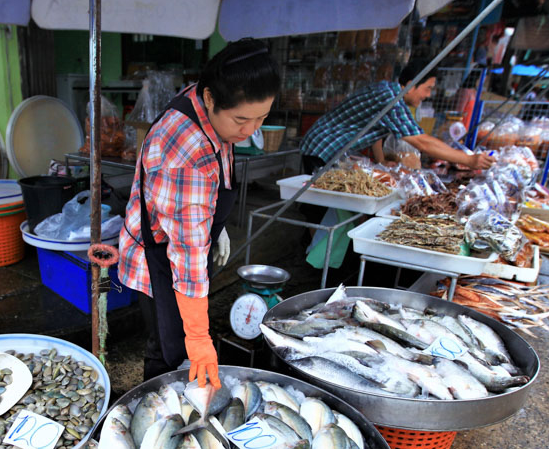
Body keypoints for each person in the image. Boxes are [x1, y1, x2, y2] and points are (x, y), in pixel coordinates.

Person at [119, 38, 279, 386]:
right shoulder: (183, 154)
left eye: (262, 118)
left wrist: (213, 227)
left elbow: (210, 183)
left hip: (185, 239)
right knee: (168, 351)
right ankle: (156, 407)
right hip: (160, 256)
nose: (251, 131)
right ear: (209, 98)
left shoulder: (211, 102)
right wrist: (198, 338)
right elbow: (187, 256)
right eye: (241, 119)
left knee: (179, 343)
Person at [301, 59, 495, 173]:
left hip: (325, 145)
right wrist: (468, 160)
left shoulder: (389, 92)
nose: (428, 95)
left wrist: (381, 162)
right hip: (323, 147)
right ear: (411, 84)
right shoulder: (391, 99)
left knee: (327, 208)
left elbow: (374, 130)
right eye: (427, 89)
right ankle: (313, 242)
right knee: (322, 209)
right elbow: (422, 142)